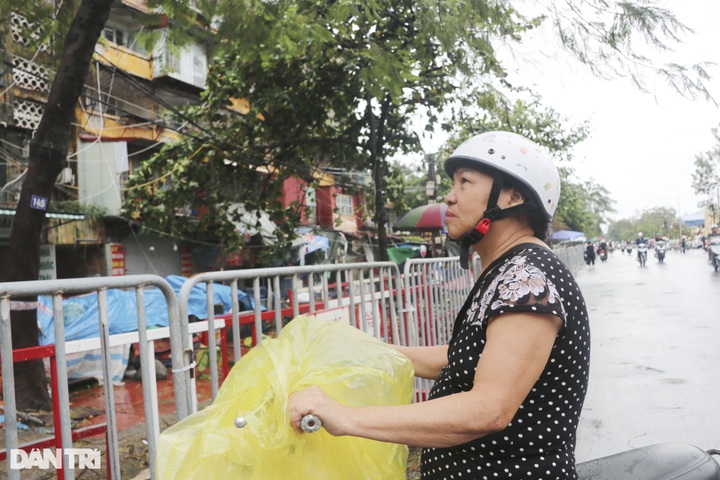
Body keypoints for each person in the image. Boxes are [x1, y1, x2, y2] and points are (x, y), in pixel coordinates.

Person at [288, 131, 591, 479]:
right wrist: (370, 353)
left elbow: (488, 409)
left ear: (513, 196)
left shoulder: (527, 280)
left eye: (465, 182)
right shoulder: (509, 270)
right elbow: (465, 357)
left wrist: (344, 416)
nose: (449, 196)